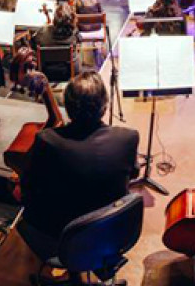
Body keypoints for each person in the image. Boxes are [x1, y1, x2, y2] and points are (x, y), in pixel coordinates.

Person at [19, 72, 139, 260]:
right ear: (105, 106)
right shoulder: (128, 137)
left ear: (67, 106)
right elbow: (132, 174)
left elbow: (29, 185)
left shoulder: (47, 140)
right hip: (110, 229)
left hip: (58, 234)